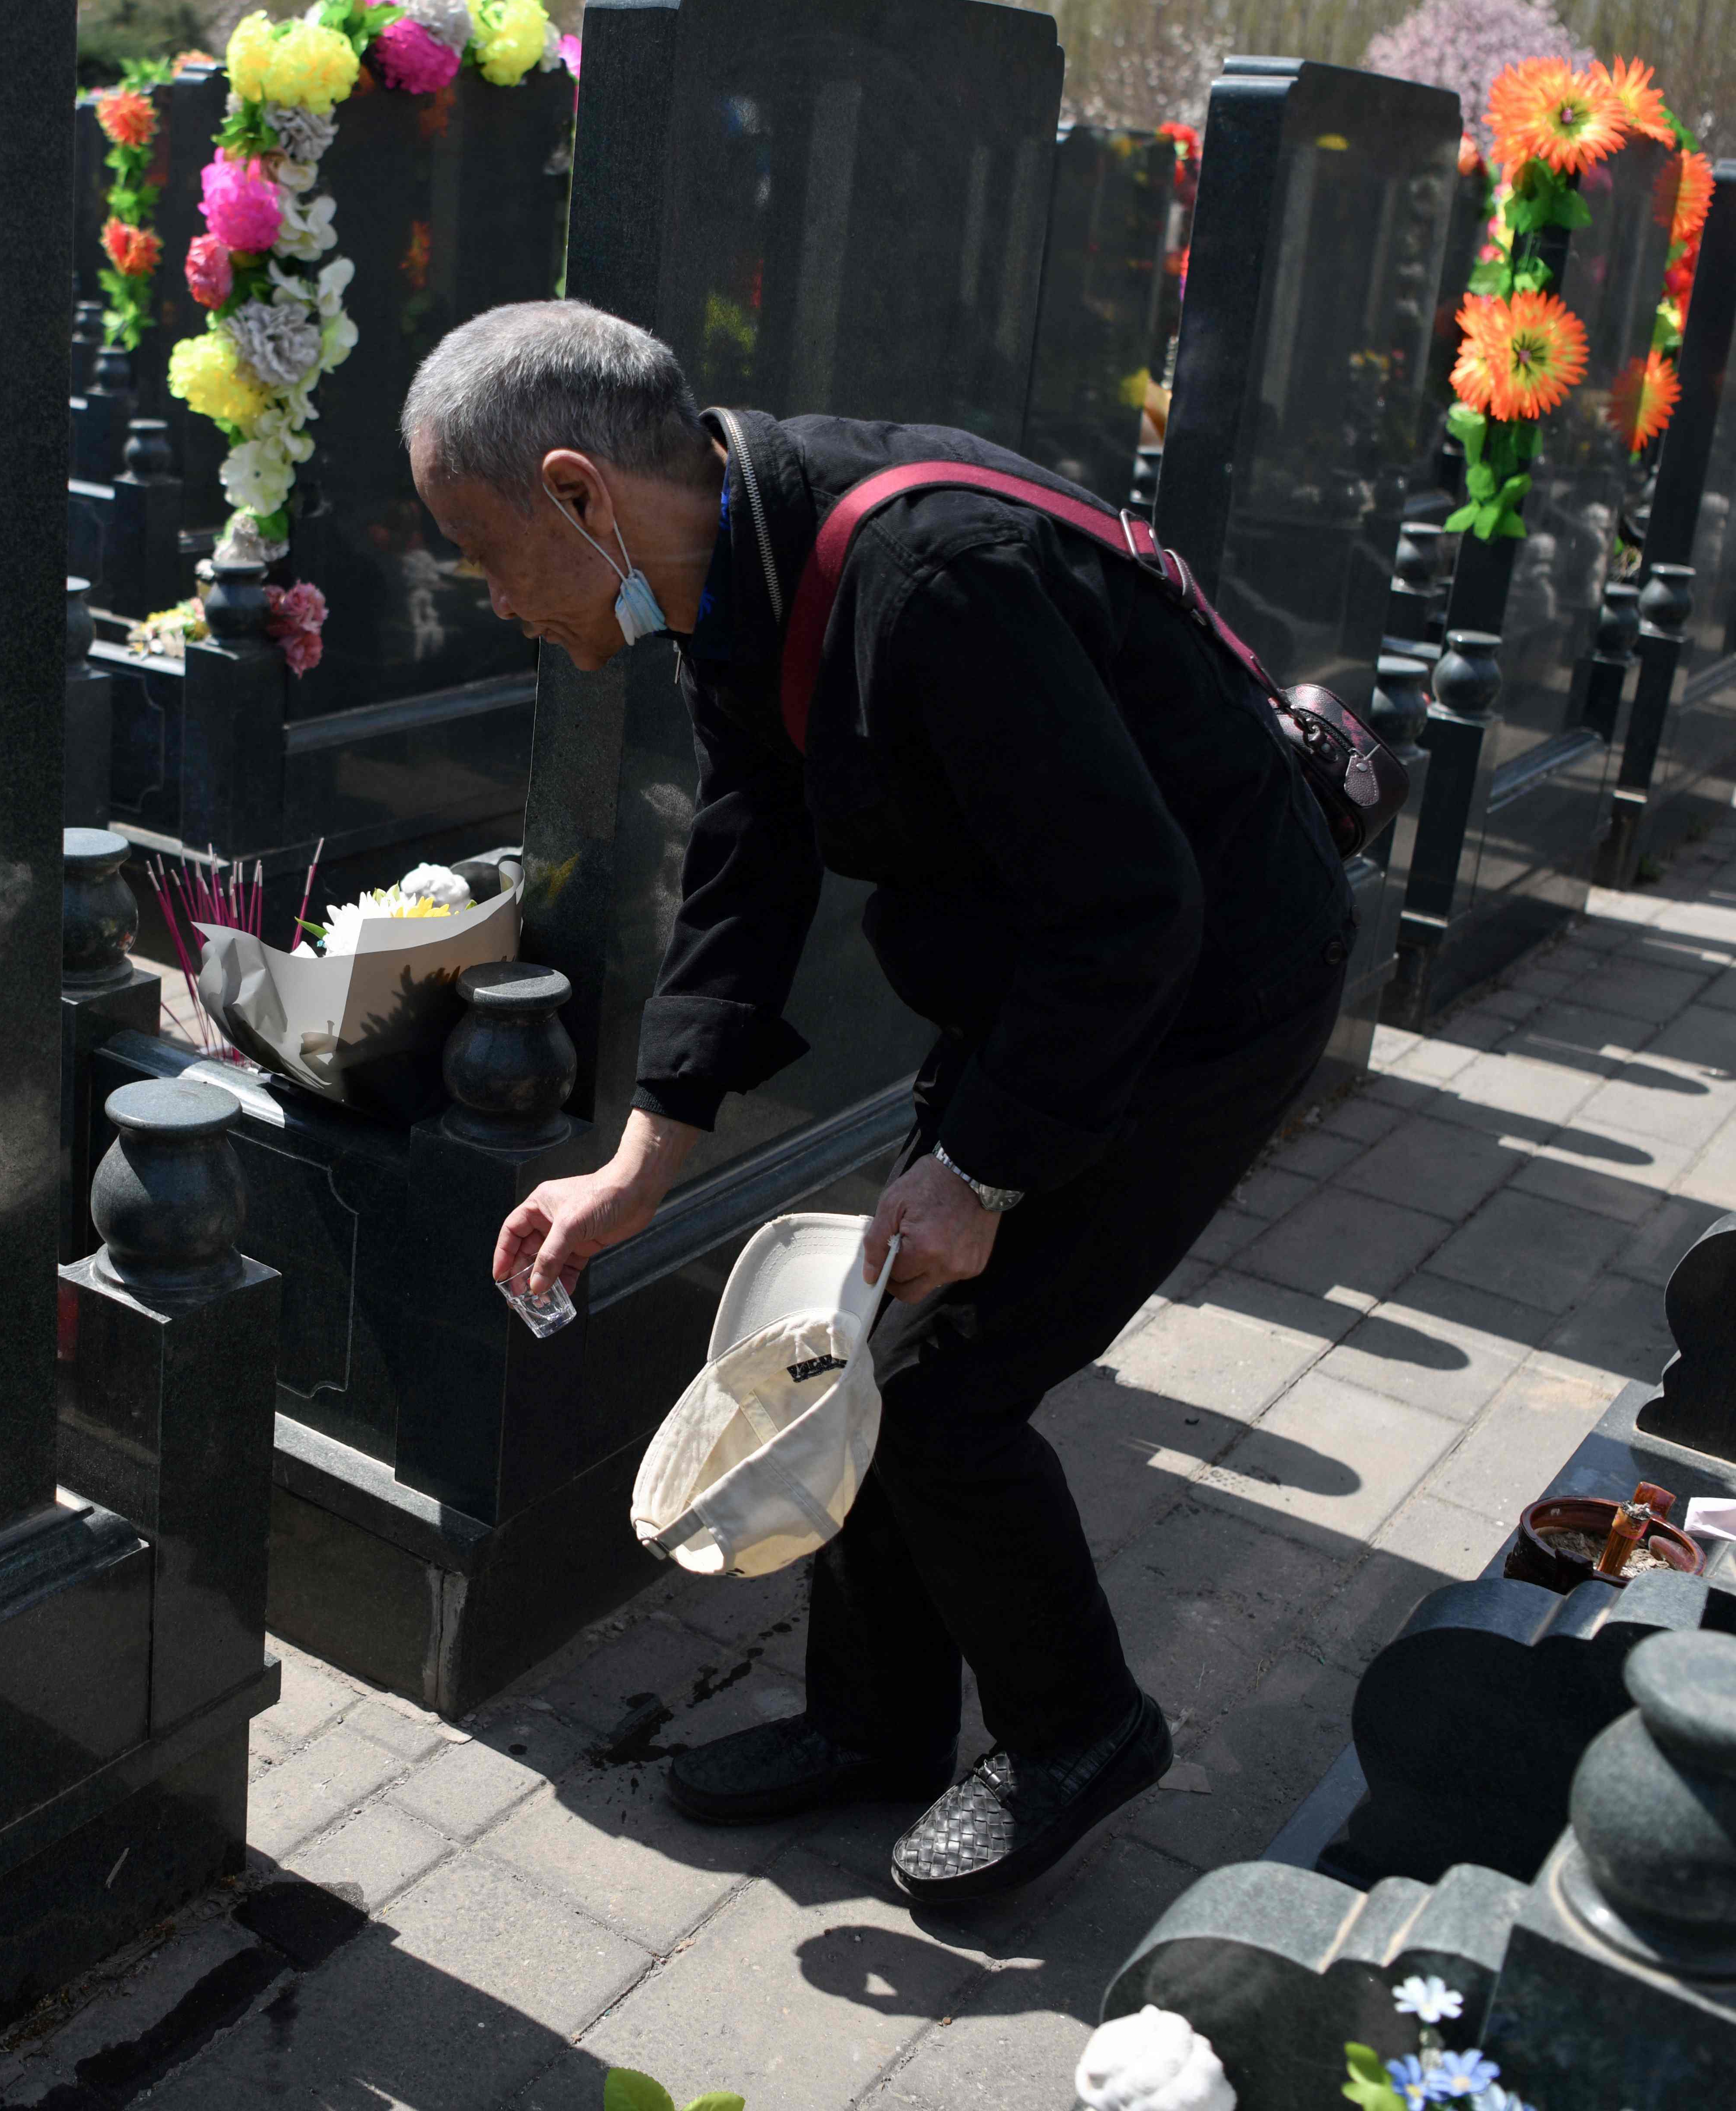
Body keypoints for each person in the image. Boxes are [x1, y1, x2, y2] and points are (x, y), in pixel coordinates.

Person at [399, 301, 1353, 1903]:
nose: (489, 601)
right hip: (1052, 969)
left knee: (948, 1396)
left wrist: (977, 1171)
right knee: (866, 1343)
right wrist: (640, 1163)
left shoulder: (930, 579)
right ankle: (873, 1725)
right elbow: (749, 849)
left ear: (580, 495)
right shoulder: (733, 557)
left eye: (483, 554)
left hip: (1196, 992)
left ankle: (1079, 1727)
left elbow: (1132, 911)